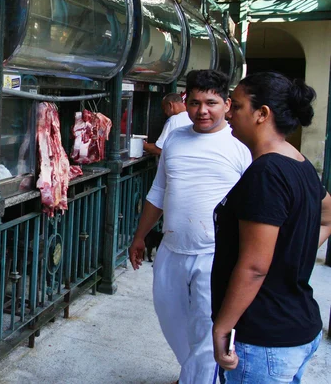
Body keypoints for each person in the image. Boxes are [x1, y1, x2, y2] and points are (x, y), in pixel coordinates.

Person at [129, 69, 252, 384]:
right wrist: (140, 236)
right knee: (170, 318)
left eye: (211, 103)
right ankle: (194, 371)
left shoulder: (242, 146)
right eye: (196, 102)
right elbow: (159, 192)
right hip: (171, 249)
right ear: (187, 102)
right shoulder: (175, 138)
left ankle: (197, 378)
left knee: (205, 326)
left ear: (226, 104)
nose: (203, 111)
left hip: (215, 254)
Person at [211, 72, 331, 383]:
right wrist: (293, 253)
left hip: (264, 337)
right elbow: (328, 214)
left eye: (236, 106)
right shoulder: (297, 162)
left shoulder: (267, 172)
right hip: (297, 327)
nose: (228, 113)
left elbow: (253, 267)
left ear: (262, 114)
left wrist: (223, 326)